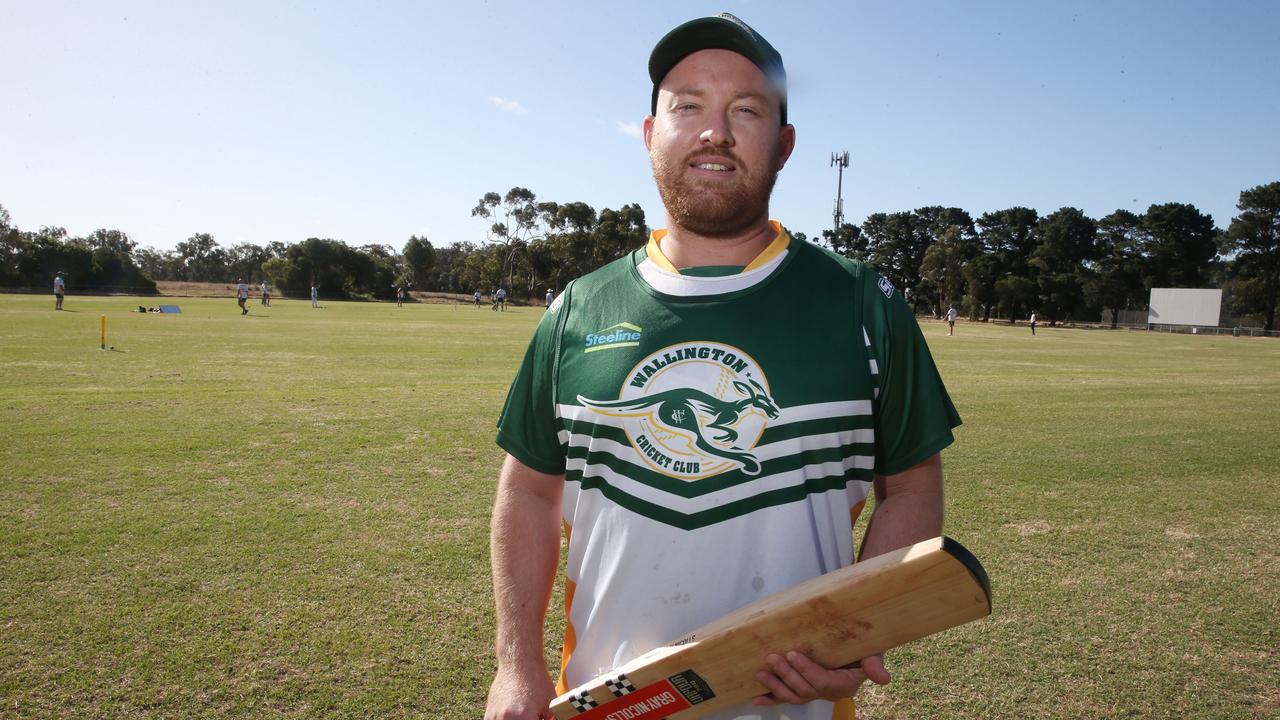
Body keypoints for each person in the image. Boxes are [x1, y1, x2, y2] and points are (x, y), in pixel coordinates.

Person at [486, 14, 961, 720]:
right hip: (610, 705)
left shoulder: (863, 302)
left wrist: (852, 635)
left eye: (747, 110)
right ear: (651, 133)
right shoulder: (577, 309)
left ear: (785, 143)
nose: (716, 132)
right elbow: (527, 493)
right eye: (688, 106)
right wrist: (516, 667)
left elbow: (912, 487)